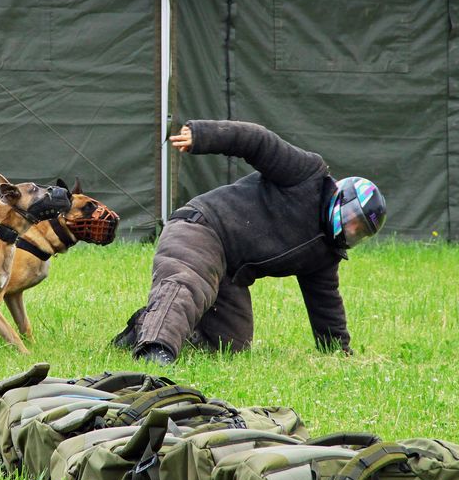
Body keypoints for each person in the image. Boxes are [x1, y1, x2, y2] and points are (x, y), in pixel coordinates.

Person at [113, 120, 386, 365]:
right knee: (188, 283)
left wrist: (339, 354)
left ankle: (145, 325)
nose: (351, 230)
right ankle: (155, 348)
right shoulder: (307, 174)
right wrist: (202, 135)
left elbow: (326, 306)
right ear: (341, 196)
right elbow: (257, 141)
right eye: (353, 220)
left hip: (232, 271)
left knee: (229, 344)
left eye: (359, 232)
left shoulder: (325, 254)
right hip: (201, 227)